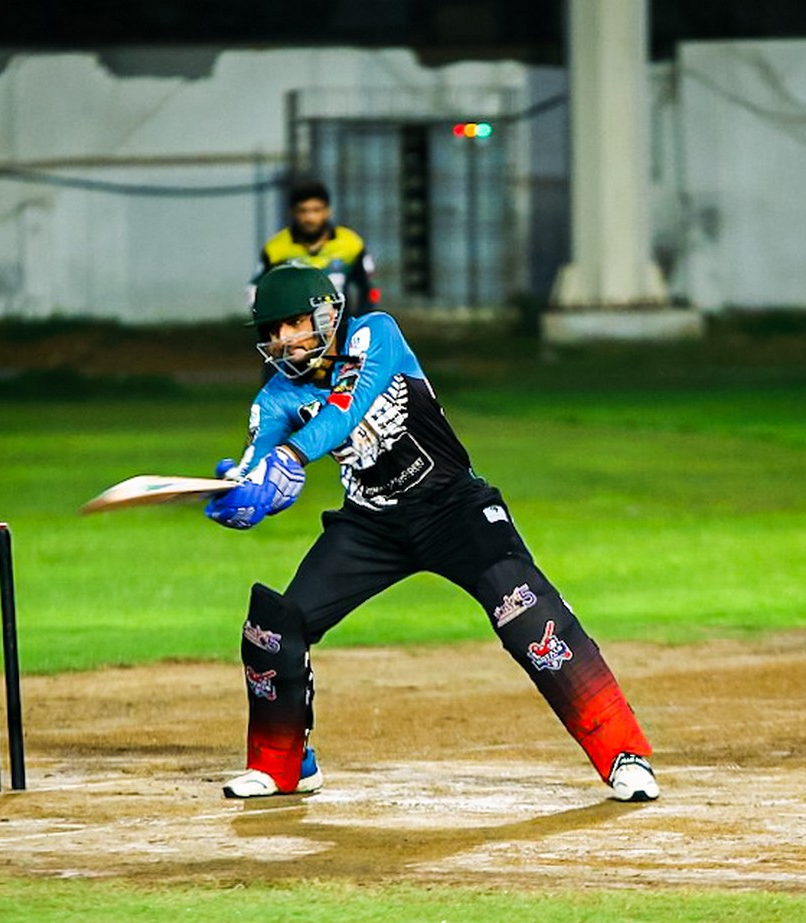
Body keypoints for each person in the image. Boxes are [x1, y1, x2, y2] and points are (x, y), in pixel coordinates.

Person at [206, 263, 659, 803]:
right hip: (371, 523)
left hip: (453, 508)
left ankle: (624, 755)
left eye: (294, 323)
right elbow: (260, 467)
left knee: (525, 610)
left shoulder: (375, 334)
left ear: (326, 315)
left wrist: (292, 455)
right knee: (273, 630)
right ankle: (284, 765)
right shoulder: (274, 400)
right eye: (272, 330)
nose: (284, 339)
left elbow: (345, 410)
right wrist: (241, 495)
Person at [247, 179, 377, 314]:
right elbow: (254, 290)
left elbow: (370, 289)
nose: (309, 218)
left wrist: (361, 320)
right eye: (302, 211)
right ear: (292, 212)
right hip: (295, 324)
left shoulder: (351, 244)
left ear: (327, 211)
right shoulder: (275, 249)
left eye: (316, 210)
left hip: (340, 323)